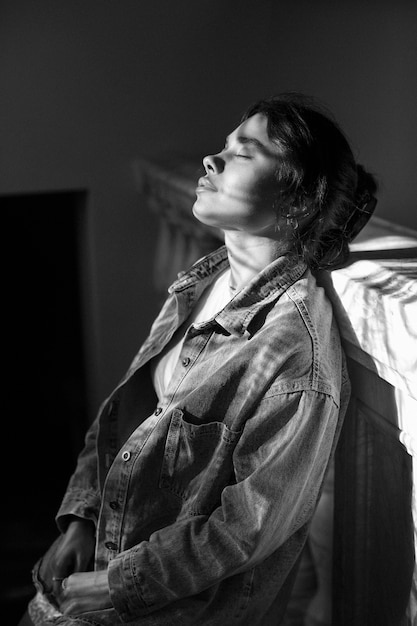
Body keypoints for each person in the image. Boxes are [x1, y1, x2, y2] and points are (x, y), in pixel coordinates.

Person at [20, 92, 377, 626]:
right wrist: (81, 519)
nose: (212, 160)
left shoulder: (293, 352)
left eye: (244, 152)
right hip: (94, 570)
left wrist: (109, 588)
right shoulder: (199, 284)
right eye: (224, 146)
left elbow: (247, 526)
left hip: (168, 610)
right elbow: (124, 418)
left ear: (300, 202)